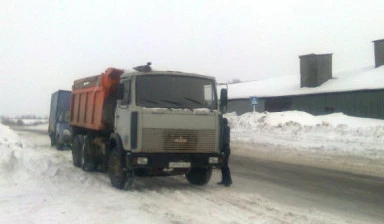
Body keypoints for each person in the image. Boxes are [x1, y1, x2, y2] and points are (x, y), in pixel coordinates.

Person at [218, 118, 232, 186]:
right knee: (223, 165)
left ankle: (228, 181)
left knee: (225, 165)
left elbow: (223, 139)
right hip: (226, 149)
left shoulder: (224, 128)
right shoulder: (227, 128)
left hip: (224, 149)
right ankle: (224, 180)